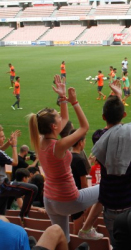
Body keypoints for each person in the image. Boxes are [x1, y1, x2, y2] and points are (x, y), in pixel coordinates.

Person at [28, 75, 101, 241]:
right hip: (68, 199)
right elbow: (84, 127)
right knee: (108, 188)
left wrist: (62, 98)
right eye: (58, 117)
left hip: (50, 201)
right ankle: (86, 228)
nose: (62, 118)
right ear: (54, 127)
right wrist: (74, 102)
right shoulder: (58, 146)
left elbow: (65, 119)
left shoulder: (40, 141)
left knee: (63, 240)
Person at [91, 77, 131, 246]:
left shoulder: (97, 137)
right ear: (125, 115)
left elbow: (112, 132)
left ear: (103, 116)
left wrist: (117, 96)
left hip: (111, 205)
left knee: (118, 244)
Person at [0, 126, 37, 219]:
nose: (4, 138)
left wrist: (8, 143)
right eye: (1, 137)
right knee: (33, 189)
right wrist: (14, 146)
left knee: (1, 212)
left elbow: (1, 149)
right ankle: (22, 216)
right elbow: (15, 162)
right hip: (2, 185)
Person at [69, 129, 89, 234]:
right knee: (77, 229)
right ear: (80, 143)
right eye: (84, 141)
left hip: (67, 193)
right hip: (78, 196)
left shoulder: (66, 156)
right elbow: (84, 183)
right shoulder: (79, 160)